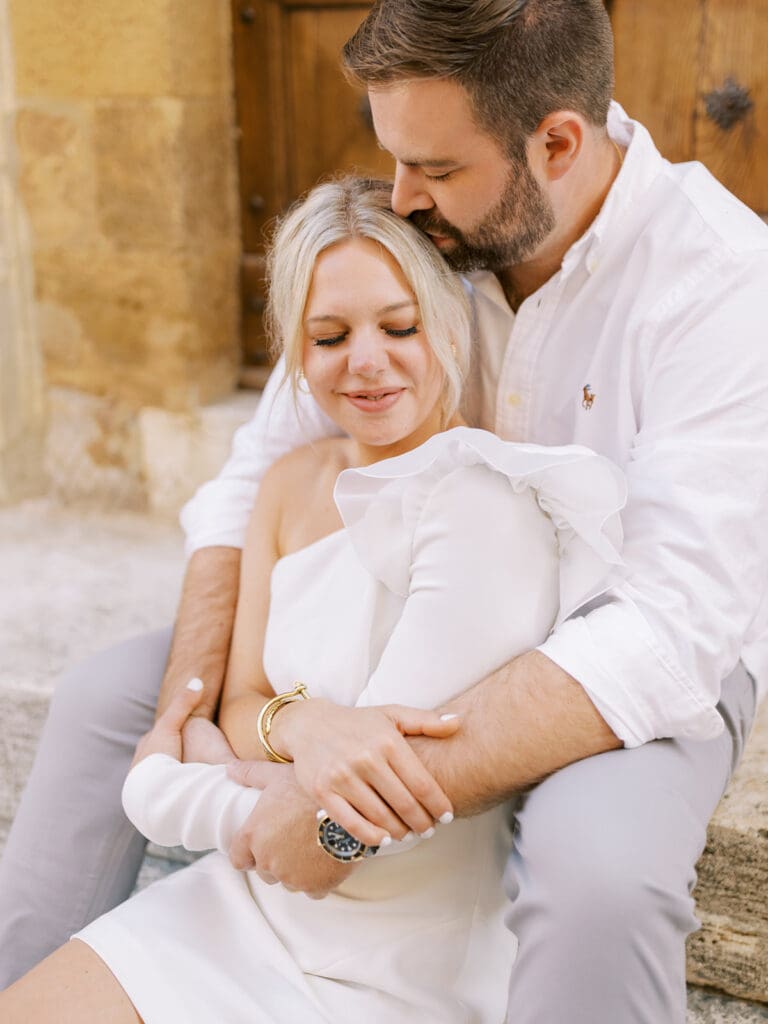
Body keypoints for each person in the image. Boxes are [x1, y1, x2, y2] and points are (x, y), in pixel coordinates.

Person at [1, 0, 766, 1019]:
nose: (401, 195)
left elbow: (670, 626)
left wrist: (333, 808)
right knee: (112, 695)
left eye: (437, 168)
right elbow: (253, 478)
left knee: (600, 879)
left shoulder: (722, 280)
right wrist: (219, 702)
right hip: (386, 609)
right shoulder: (423, 225)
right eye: (395, 159)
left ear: (558, 143)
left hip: (619, 666)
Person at [0, 176, 625, 1022]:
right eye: (328, 337)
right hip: (244, 902)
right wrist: (295, 725)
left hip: (391, 943)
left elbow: (374, 812)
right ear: (295, 350)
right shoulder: (290, 486)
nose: (365, 362)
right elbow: (240, 699)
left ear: (446, 324)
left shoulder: (484, 504)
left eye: (398, 327)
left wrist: (160, 781)